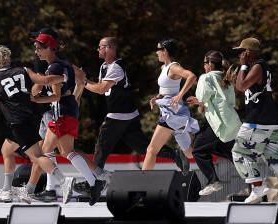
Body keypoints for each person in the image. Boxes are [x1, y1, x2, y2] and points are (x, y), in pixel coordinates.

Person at [0, 45, 71, 204]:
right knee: (6, 150)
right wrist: (63, 78)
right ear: (9, 59)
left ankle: (64, 181)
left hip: (17, 122)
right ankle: (7, 190)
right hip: (31, 117)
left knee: (37, 156)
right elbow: (45, 81)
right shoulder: (24, 70)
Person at [25, 33, 102, 204]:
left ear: (49, 48)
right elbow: (79, 80)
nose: (36, 52)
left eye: (39, 49)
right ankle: (94, 182)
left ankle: (58, 186)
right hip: (70, 110)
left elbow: (56, 96)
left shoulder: (54, 68)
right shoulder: (65, 64)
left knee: (44, 150)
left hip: (61, 112)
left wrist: (36, 99)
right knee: (67, 152)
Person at [230, 36, 278, 204]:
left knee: (239, 153)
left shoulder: (258, 66)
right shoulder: (260, 66)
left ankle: (258, 187)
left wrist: (243, 65)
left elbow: (241, 86)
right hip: (269, 122)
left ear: (249, 52)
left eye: (242, 51)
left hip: (256, 121)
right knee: (276, 159)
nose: (240, 54)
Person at [85, 36, 150, 173]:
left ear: (109, 48)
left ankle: (94, 181)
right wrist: (83, 80)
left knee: (101, 146)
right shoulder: (104, 66)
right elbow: (100, 88)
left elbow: (101, 89)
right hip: (126, 114)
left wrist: (83, 82)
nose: (97, 49)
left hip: (119, 114)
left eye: (100, 47)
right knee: (142, 147)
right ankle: (174, 155)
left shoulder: (116, 67)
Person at [141, 38, 199, 173]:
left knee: (151, 150)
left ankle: (142, 187)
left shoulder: (174, 67)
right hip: (174, 113)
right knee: (190, 153)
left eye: (158, 49)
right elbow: (168, 89)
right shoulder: (164, 68)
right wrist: (157, 98)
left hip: (171, 114)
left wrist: (180, 95)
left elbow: (191, 76)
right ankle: (216, 146)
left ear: (165, 50)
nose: (156, 53)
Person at [188, 51, 239, 197]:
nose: (204, 66)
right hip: (231, 121)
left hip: (217, 123)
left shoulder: (206, 77)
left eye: (205, 63)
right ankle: (255, 182)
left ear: (210, 64)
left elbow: (203, 96)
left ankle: (213, 181)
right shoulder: (225, 77)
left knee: (198, 150)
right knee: (232, 153)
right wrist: (200, 101)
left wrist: (199, 100)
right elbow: (222, 98)